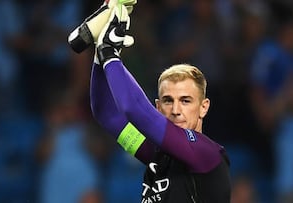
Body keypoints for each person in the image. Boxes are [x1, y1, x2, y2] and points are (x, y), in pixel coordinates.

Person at [73, 2, 231, 202]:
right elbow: (106, 112)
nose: (175, 110)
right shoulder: (157, 155)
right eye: (168, 100)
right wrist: (100, 52)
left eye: (185, 101)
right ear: (157, 107)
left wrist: (110, 53)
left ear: (203, 107)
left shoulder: (206, 152)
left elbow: (132, 108)